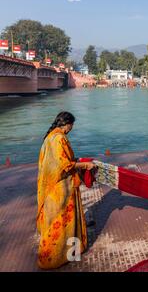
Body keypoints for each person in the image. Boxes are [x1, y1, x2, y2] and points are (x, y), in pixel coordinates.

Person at [37, 112, 96, 269]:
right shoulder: (60, 139)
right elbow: (65, 165)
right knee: (65, 221)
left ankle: (53, 254)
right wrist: (85, 165)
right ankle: (59, 256)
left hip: (50, 187)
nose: (72, 129)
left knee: (53, 222)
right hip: (62, 188)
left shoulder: (49, 137)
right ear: (67, 123)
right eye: (72, 125)